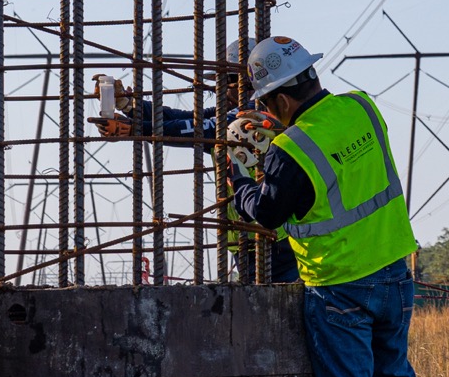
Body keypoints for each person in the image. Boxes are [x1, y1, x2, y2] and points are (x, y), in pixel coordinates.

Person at [231, 35, 435, 377]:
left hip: (339, 289)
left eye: (266, 106)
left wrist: (241, 177)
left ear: (277, 99)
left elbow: (270, 213)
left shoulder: (291, 149)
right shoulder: (362, 108)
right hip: (393, 274)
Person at [89, 38, 299, 282]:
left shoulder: (253, 118)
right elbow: (181, 117)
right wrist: (128, 106)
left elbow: (193, 128)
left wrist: (135, 128)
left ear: (243, 81)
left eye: (226, 81)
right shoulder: (233, 113)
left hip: (271, 239)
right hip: (248, 238)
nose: (222, 89)